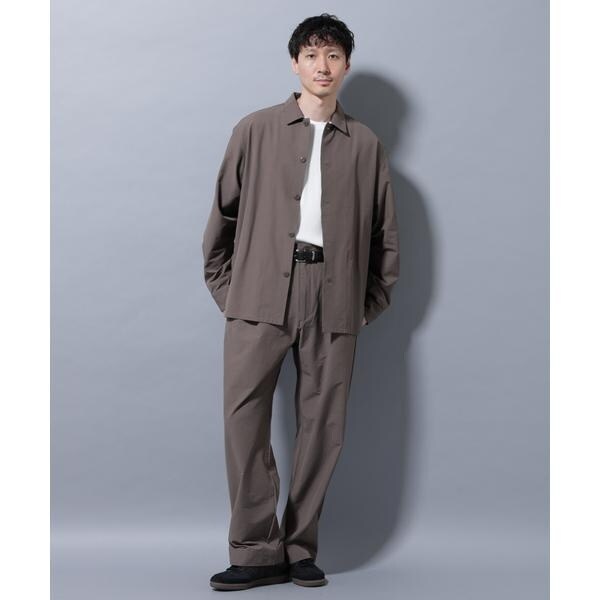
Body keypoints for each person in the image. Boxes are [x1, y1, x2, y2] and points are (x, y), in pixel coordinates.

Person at [203, 13, 400, 591]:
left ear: (346, 66)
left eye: (333, 56)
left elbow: (386, 239)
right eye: (312, 55)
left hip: (333, 296)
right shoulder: (255, 129)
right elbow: (221, 221)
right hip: (259, 291)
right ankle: (255, 550)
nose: (322, 66)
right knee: (244, 420)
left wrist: (365, 305)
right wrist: (232, 293)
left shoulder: (366, 144)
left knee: (323, 426)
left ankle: (299, 547)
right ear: (295, 63)